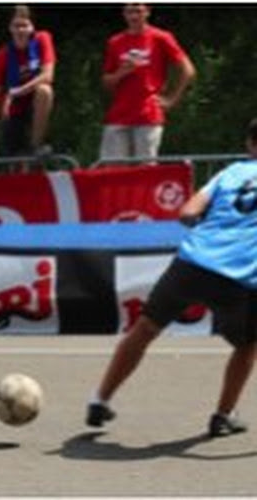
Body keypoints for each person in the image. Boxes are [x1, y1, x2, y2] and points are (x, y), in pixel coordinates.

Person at [87, 118, 257, 438]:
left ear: (250, 144)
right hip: (240, 276)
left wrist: (216, 231)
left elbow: (187, 213)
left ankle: (100, 399)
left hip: (193, 262)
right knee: (248, 346)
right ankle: (223, 415)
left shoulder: (230, 173)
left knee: (146, 327)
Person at [98, 3, 195, 160]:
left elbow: (187, 69)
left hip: (148, 112)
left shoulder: (160, 37)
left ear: (147, 12)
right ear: (124, 14)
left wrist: (172, 99)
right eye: (130, 12)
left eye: (138, 11)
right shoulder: (115, 42)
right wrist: (121, 73)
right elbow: (106, 81)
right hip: (119, 113)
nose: (134, 16)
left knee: (146, 170)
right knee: (113, 169)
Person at [0, 4, 55, 161]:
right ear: (10, 28)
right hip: (13, 113)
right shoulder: (3, 56)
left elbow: (48, 75)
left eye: (25, 25)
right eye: (16, 26)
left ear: (32, 27)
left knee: (45, 90)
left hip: (35, 108)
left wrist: (17, 91)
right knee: (15, 164)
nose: (21, 30)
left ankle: (36, 146)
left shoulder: (42, 39)